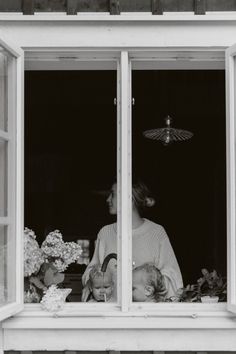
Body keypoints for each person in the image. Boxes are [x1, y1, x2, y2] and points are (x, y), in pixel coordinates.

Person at [82, 180, 183, 302]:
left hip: (145, 315)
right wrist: (96, 278)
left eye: (112, 194)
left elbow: (173, 278)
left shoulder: (156, 232)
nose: (108, 199)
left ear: (129, 199)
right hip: (111, 312)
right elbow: (90, 274)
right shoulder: (105, 233)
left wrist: (146, 281)